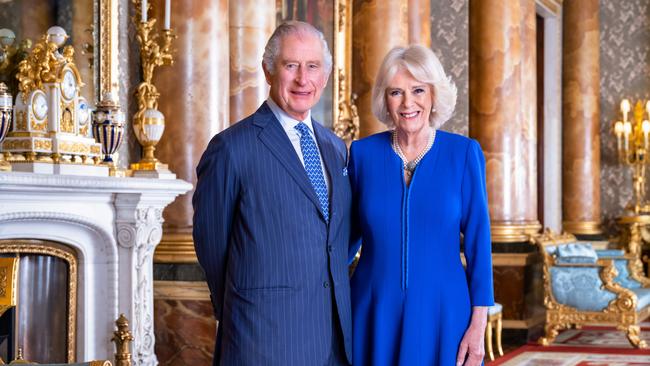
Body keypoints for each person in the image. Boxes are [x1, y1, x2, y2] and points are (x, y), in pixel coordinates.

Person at [193, 21, 352, 366]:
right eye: (290, 65)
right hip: (262, 340)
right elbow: (212, 247)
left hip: (334, 342)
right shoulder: (231, 149)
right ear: (268, 70)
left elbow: (336, 239)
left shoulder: (335, 148)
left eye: (312, 67)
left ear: (325, 77)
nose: (302, 79)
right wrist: (242, 309)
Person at [348, 45, 494, 366]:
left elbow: (478, 244)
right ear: (385, 100)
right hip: (374, 310)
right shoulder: (362, 155)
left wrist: (478, 325)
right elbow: (345, 240)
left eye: (417, 90)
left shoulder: (463, 153)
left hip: (444, 311)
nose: (408, 102)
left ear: (433, 95)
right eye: (396, 92)